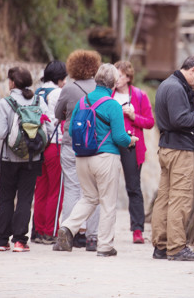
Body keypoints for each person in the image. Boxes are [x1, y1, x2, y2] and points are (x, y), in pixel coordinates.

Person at [52, 63, 138, 257]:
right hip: (105, 158)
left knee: (89, 198)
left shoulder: (83, 101)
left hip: (82, 157)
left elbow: (73, 129)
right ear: (114, 83)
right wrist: (130, 139)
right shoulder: (113, 104)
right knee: (107, 202)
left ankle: (67, 227)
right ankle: (105, 246)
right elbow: (119, 137)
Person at [151, 54, 194, 261]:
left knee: (164, 198)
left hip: (166, 147)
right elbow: (179, 120)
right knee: (180, 199)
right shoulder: (176, 88)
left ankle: (161, 245)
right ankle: (176, 248)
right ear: (193, 70)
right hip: (179, 151)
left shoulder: (167, 84)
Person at [0, 66, 50, 252]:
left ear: (13, 83)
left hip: (8, 158)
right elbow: (48, 129)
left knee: (7, 198)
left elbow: (1, 133)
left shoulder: (5, 103)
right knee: (25, 198)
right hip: (32, 159)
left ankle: (2, 240)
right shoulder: (38, 101)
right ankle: (19, 240)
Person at [54, 49, 102, 251]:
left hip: (71, 143)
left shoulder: (69, 88)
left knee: (72, 189)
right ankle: (92, 237)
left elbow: (58, 113)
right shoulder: (101, 89)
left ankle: (67, 235)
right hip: (95, 145)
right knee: (95, 192)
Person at [112, 60, 155, 244]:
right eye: (115, 75)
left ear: (128, 77)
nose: (117, 79)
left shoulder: (139, 95)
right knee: (106, 188)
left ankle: (137, 229)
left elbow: (150, 122)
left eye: (120, 75)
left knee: (133, 187)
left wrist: (133, 116)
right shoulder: (108, 95)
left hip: (132, 143)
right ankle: (103, 231)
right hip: (111, 144)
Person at [32, 60, 67, 245]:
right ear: (60, 77)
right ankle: (50, 231)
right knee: (56, 190)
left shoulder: (37, 91)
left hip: (39, 144)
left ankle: (37, 230)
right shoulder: (58, 93)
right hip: (55, 144)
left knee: (41, 190)